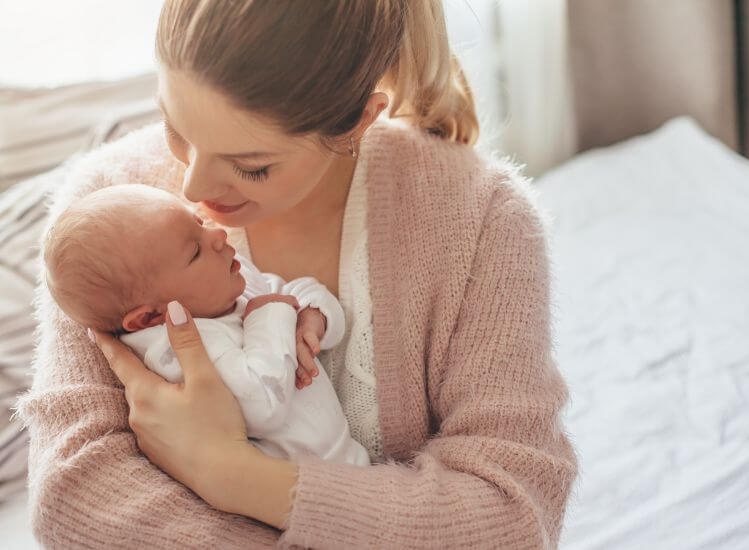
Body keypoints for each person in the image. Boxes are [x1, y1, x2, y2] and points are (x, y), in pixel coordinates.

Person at [17, 0, 577, 547]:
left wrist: (231, 475)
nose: (193, 190)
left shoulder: (482, 220)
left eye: (251, 166)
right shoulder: (106, 211)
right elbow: (72, 497)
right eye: (175, 128)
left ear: (358, 122)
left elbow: (512, 516)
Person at [42, 184, 369, 466]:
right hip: (296, 490)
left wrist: (313, 317)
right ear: (149, 318)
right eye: (195, 252)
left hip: (348, 461)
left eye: (199, 222)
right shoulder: (175, 351)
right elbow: (262, 407)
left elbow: (301, 291)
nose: (217, 235)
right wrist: (270, 315)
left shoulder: (229, 288)